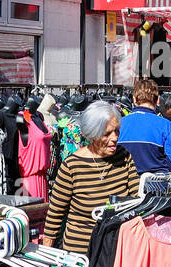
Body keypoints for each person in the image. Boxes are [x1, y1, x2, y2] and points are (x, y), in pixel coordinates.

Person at [41, 101, 138, 254]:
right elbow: (55, 215)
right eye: (107, 134)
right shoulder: (72, 165)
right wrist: (45, 257)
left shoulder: (124, 156)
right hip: (80, 253)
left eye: (117, 131)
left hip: (116, 248)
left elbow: (137, 198)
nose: (115, 138)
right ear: (93, 134)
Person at [118, 78, 171, 173]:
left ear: (134, 99)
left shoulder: (119, 124)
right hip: (157, 185)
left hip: (125, 184)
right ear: (157, 100)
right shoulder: (165, 125)